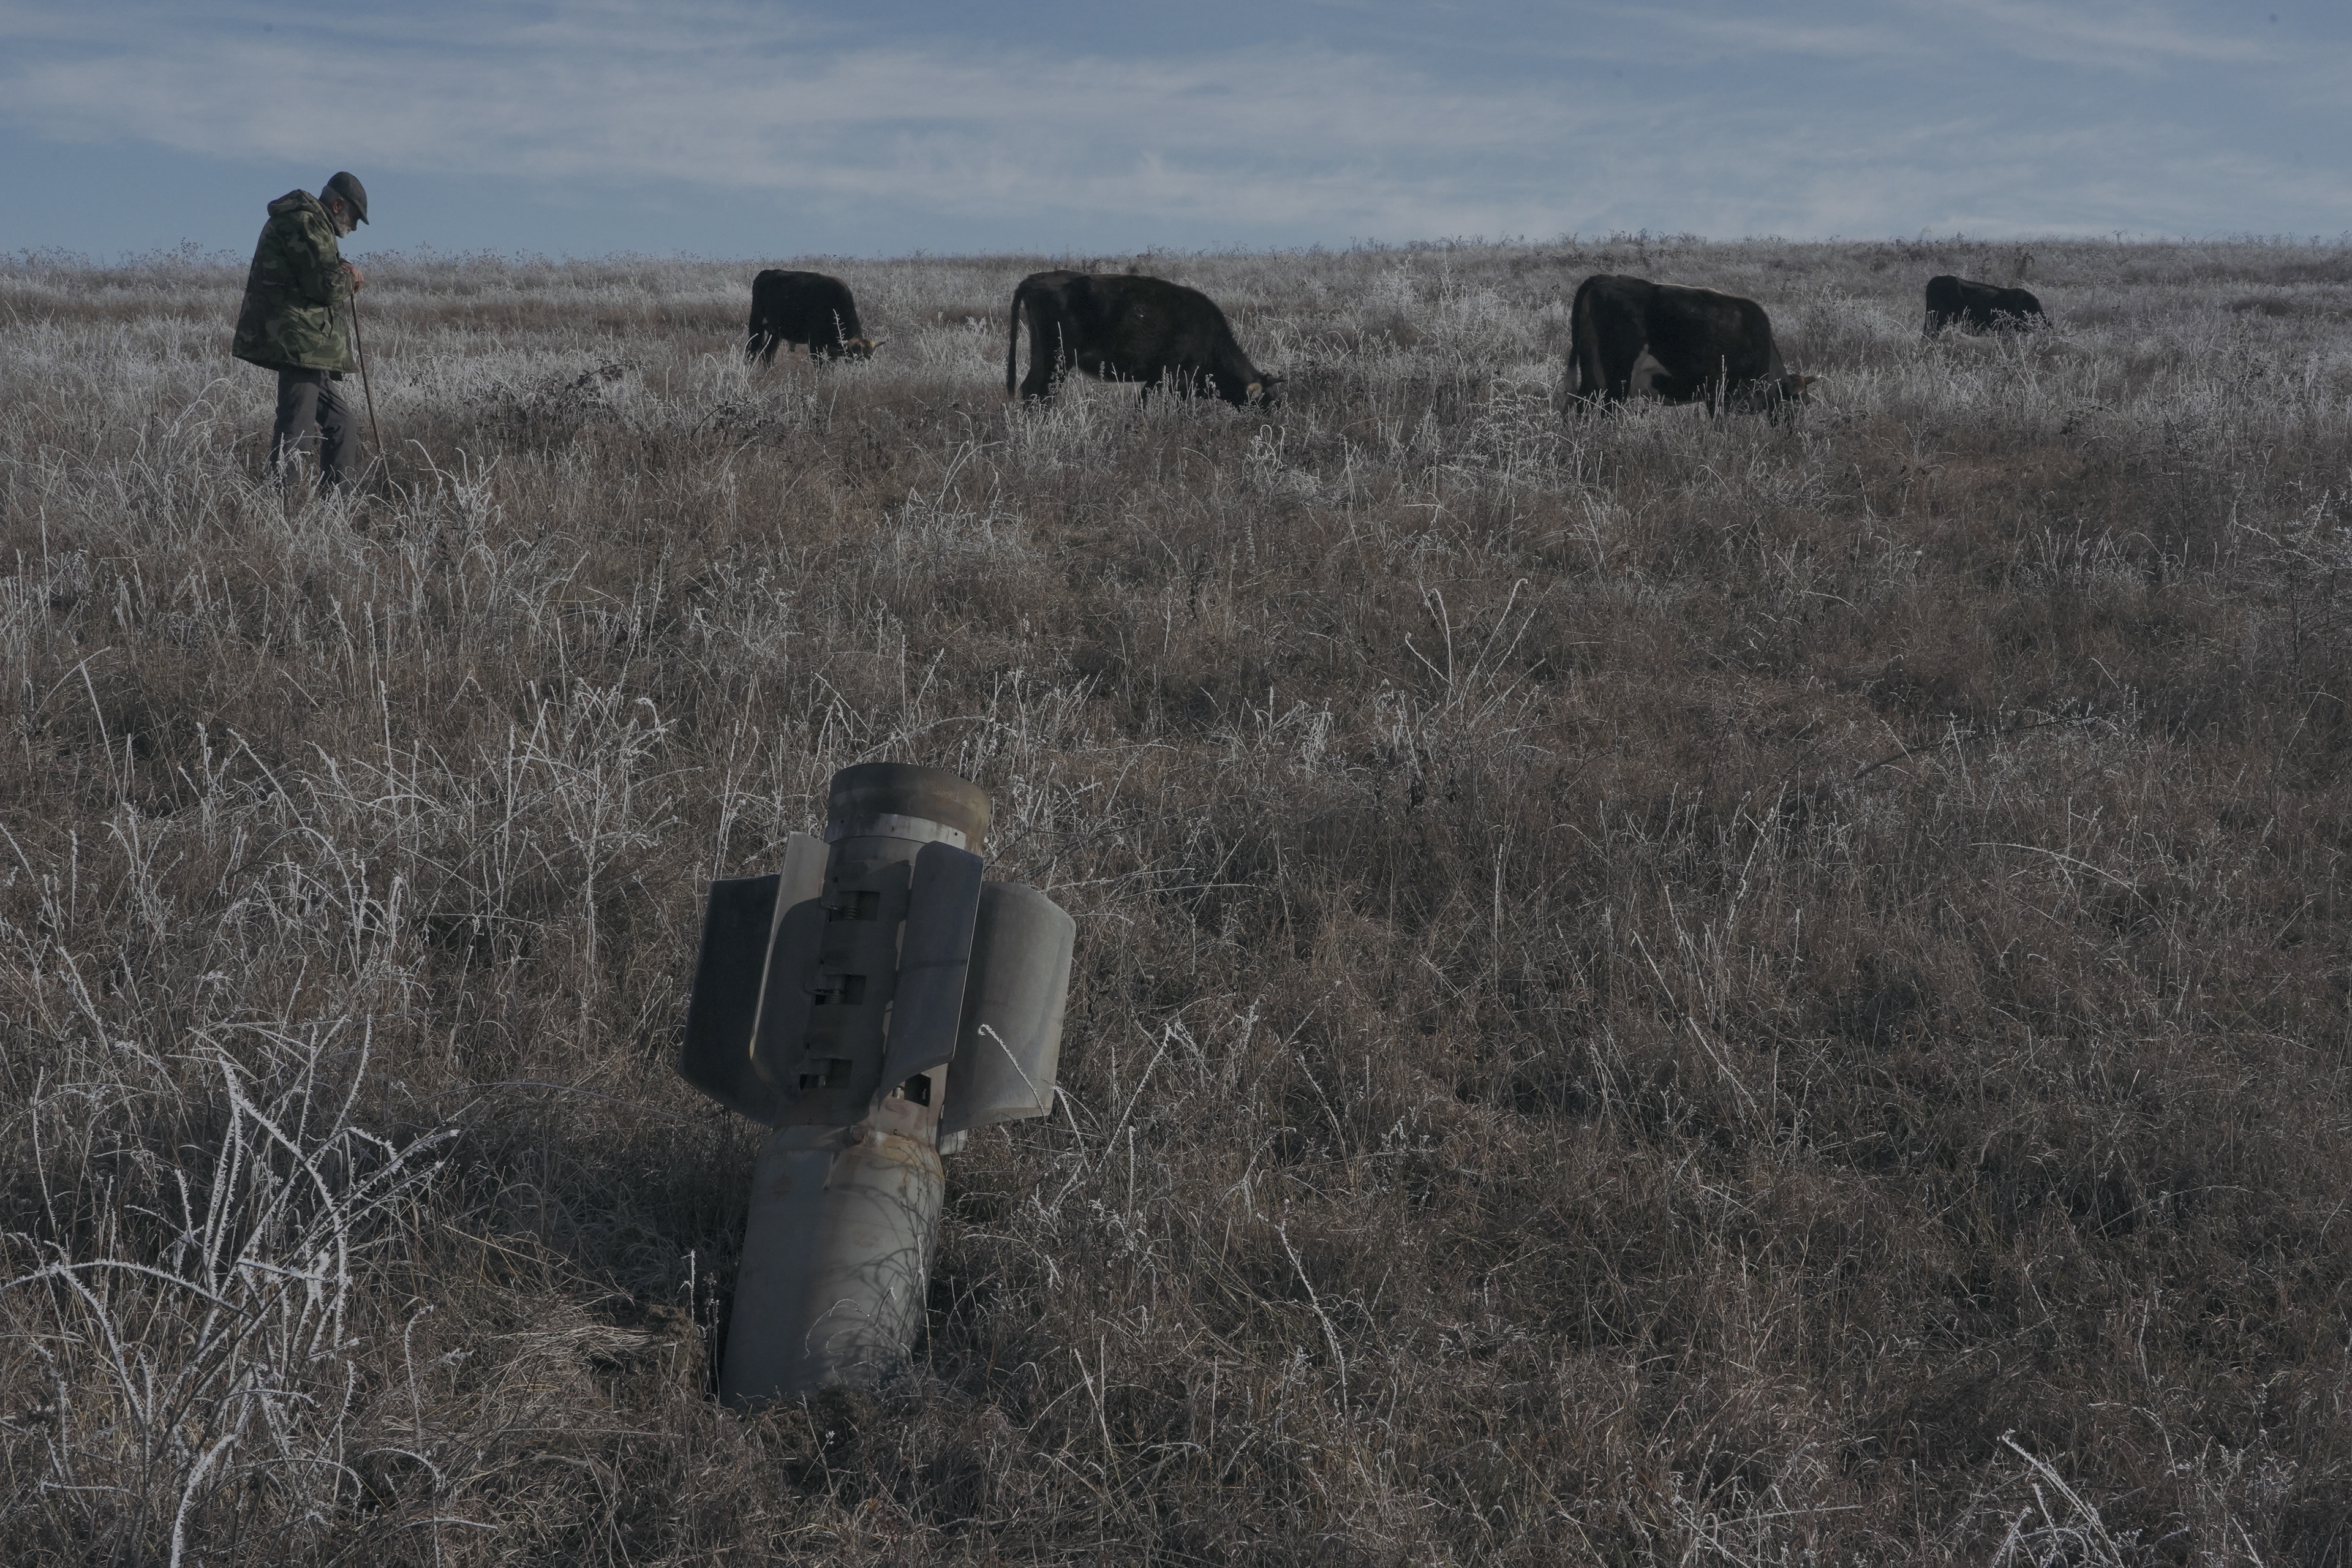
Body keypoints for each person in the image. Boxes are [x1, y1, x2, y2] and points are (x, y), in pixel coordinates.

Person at [232, 171, 369, 485]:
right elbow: (325, 285)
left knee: (342, 424)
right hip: (298, 343)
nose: (354, 226)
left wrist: (341, 266)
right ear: (338, 205)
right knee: (297, 428)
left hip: (310, 345)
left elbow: (311, 266)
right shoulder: (305, 221)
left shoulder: (310, 224)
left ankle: (336, 507)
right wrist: (350, 279)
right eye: (354, 217)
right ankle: (282, 505)